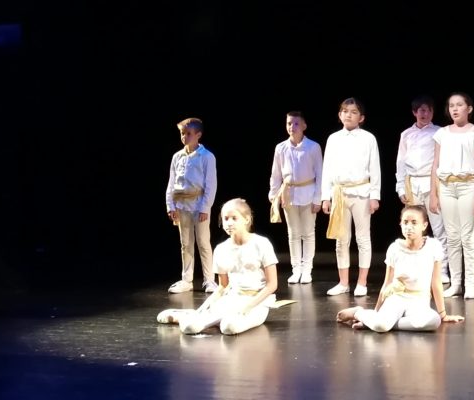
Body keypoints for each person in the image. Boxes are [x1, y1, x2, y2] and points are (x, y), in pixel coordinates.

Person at [157, 198, 279, 335]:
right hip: (232, 298)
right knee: (189, 328)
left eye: (234, 218)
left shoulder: (261, 243)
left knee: (229, 327)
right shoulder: (221, 249)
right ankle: (187, 315)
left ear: (246, 219)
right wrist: (202, 308)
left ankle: (208, 318)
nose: (229, 223)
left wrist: (247, 307)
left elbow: (272, 285)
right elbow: (223, 286)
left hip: (257, 302)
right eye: (226, 219)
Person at [335, 205, 465, 332]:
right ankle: (359, 313)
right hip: (397, 298)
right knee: (381, 326)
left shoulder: (433, 246)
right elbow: (387, 283)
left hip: (419, 301)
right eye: (405, 222)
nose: (409, 227)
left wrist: (443, 315)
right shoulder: (395, 248)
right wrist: (376, 314)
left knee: (434, 321)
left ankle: (382, 322)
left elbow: (436, 282)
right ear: (401, 224)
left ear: (424, 225)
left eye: (414, 223)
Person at [429, 92, 474, 299]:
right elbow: (435, 165)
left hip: (468, 186)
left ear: (469, 108)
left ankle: (470, 284)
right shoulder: (442, 134)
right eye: (451, 106)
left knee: (468, 237)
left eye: (459, 105)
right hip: (446, 186)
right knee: (452, 237)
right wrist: (433, 194)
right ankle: (456, 283)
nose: (454, 109)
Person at [320, 98, 382, 297]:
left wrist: (375, 195)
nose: (348, 115)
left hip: (361, 192)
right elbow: (327, 169)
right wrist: (325, 196)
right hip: (339, 193)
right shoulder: (333, 139)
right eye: (345, 111)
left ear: (361, 117)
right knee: (341, 239)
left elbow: (375, 168)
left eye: (353, 112)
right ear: (340, 115)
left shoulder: (368, 138)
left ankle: (362, 282)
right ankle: (344, 282)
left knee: (363, 238)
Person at [395, 95, 450, 283]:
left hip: (432, 182)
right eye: (421, 110)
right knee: (414, 228)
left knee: (439, 228)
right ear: (414, 112)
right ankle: (417, 269)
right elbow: (401, 162)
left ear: (432, 112)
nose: (424, 114)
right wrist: (400, 187)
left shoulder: (439, 132)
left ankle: (442, 270)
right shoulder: (406, 134)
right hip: (412, 184)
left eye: (428, 110)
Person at [165, 117, 219, 293]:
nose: (184, 137)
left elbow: (211, 185)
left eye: (188, 133)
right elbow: (172, 182)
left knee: (203, 242)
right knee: (185, 244)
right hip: (182, 205)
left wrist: (205, 208)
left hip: (199, 204)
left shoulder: (207, 156)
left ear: (198, 135)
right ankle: (187, 280)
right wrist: (170, 205)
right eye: (182, 133)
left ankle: (209, 280)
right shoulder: (177, 157)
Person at [269, 111, 324, 284]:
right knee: (293, 233)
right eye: (289, 123)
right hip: (288, 194)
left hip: (308, 192)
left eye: (296, 123)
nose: (292, 127)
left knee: (308, 232)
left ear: (304, 126)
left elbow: (320, 174)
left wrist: (318, 198)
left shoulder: (313, 147)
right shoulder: (281, 148)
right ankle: (296, 269)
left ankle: (307, 269)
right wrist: (274, 194)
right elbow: (276, 174)